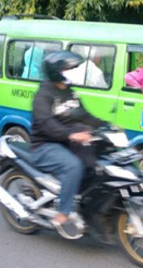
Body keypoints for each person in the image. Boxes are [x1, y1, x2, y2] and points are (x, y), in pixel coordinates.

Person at [29, 51, 109, 239]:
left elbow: (85, 115)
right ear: (57, 71)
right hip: (44, 145)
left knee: (99, 162)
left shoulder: (69, 91)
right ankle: (63, 213)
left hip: (66, 141)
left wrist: (106, 126)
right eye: (69, 68)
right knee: (73, 166)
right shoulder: (43, 95)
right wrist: (72, 135)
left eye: (74, 68)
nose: (73, 71)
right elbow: (47, 125)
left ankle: (85, 204)